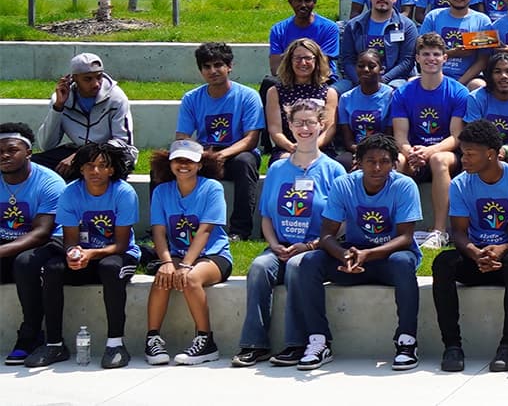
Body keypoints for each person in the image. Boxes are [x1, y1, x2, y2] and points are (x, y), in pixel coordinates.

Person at [293, 133, 424, 371]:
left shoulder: (404, 186)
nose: (377, 167)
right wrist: (343, 255)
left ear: (394, 163)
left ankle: (407, 341)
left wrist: (369, 255)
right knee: (310, 261)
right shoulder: (344, 184)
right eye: (370, 161)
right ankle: (318, 340)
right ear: (358, 163)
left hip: (388, 259)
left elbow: (405, 238)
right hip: (353, 258)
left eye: (384, 161)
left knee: (404, 262)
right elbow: (326, 235)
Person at [233, 100, 346, 369]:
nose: (304, 128)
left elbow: (342, 224)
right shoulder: (277, 169)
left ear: (321, 125)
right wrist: (274, 245)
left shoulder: (334, 170)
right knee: (259, 267)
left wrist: (310, 245)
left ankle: (297, 343)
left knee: (297, 267)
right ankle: (254, 344)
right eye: (298, 123)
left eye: (310, 122)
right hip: (280, 245)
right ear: (290, 126)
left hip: (316, 249)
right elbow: (267, 216)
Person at [430, 121, 508, 374]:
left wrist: (504, 248)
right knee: (443, 263)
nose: (464, 159)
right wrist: (474, 252)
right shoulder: (460, 183)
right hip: (477, 255)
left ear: (491, 154)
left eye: (470, 154)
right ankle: (452, 346)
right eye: (462, 153)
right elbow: (458, 231)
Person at [41, 142, 139, 369]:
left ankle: (116, 344)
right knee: (53, 268)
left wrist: (90, 253)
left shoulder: (124, 192)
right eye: (89, 166)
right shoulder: (70, 192)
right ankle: (54, 344)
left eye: (102, 166)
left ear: (111, 169)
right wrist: (73, 253)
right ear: (81, 169)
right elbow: (70, 240)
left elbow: (122, 244)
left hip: (117, 255)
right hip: (86, 254)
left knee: (110, 268)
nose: (95, 171)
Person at [143, 139, 232, 366]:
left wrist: (185, 264)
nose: (183, 165)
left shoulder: (212, 188)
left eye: (189, 161)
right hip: (177, 253)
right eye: (178, 160)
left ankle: (206, 340)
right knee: (163, 277)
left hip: (213, 254)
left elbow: (205, 230)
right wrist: (166, 262)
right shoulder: (162, 191)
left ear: (200, 164)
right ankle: (152, 338)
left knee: (190, 278)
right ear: (170, 163)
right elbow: (159, 231)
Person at [174, 42, 265, 240]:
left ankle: (240, 231)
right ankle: (165, 227)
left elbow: (251, 139)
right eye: (207, 67)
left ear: (229, 66)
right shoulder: (191, 98)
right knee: (162, 167)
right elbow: (182, 137)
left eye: (218, 65)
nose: (212, 71)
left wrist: (222, 155)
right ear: (200, 70)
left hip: (236, 153)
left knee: (245, 162)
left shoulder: (248, 96)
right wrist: (200, 156)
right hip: (203, 153)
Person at [391, 34, 472, 249]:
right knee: (397, 161)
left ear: (445, 58)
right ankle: (396, 230)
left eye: (436, 54)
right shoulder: (403, 92)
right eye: (426, 54)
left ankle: (439, 231)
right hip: (414, 152)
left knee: (438, 159)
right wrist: (411, 152)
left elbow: (456, 136)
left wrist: (429, 151)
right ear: (417, 58)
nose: (431, 59)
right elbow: (400, 136)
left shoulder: (458, 92)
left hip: (444, 152)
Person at [0, 124, 63, 366]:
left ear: (28, 152)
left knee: (25, 263)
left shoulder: (48, 182)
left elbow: (41, 233)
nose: (4, 155)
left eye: (11, 150)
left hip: (46, 243)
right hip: (6, 241)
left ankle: (30, 335)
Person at [35, 52, 136, 176]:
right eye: (88, 79)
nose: (96, 84)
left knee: (102, 168)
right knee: (34, 165)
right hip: (78, 150)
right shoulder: (61, 98)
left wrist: (79, 156)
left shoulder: (116, 98)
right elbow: (47, 145)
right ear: (75, 79)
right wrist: (58, 107)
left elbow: (122, 142)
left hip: (113, 152)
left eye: (99, 77)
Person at [337, 0, 420, 90]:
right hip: (359, 79)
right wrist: (359, 81)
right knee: (333, 92)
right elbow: (347, 60)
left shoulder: (407, 27)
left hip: (395, 80)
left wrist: (383, 81)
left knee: (395, 91)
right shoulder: (353, 26)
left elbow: (407, 61)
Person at [264, 39, 336, 158]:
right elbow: (275, 130)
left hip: (321, 149)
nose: (303, 63)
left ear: (316, 61)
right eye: (297, 58)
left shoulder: (329, 93)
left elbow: (329, 130)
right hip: (287, 149)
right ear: (290, 61)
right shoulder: (275, 92)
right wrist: (293, 148)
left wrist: (311, 149)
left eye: (308, 58)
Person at [269, 0, 340, 76]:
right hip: (288, 80)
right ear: (290, 2)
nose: (303, 5)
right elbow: (275, 68)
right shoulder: (278, 30)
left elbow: (322, 66)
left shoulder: (329, 28)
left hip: (321, 81)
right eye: (298, 1)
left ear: (314, 2)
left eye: (307, 1)